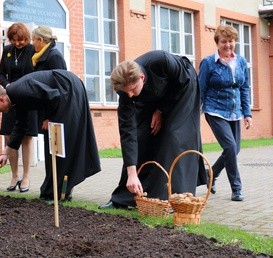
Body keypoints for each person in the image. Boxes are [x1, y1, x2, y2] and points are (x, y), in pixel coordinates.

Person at [99, 50, 207, 209]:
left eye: (133, 89)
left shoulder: (161, 62)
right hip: (152, 94)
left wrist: (161, 110)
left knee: (173, 135)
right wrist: (131, 173)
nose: (129, 95)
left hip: (183, 87)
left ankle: (173, 197)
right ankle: (125, 197)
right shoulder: (125, 90)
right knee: (141, 134)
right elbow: (128, 132)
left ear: (141, 77)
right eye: (125, 92)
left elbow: (181, 84)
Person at [0, 69, 101, 201]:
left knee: (62, 143)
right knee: (52, 146)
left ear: (1, 99)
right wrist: (5, 153)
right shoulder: (15, 97)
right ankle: (54, 191)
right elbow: (21, 125)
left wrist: (48, 117)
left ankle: (62, 191)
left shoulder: (19, 91)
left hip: (68, 88)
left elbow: (54, 96)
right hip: (61, 94)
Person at [198, 25, 253, 202]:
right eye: (224, 41)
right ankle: (237, 188)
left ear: (235, 41)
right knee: (230, 147)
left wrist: (247, 113)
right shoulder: (208, 63)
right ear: (218, 43)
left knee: (234, 149)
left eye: (231, 41)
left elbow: (244, 88)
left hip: (235, 112)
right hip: (215, 110)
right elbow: (200, 88)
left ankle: (210, 175)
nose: (228, 45)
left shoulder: (241, 62)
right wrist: (195, 112)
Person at [0, 23, 37, 193]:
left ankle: (26, 176)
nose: (18, 43)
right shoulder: (7, 50)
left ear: (26, 38)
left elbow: (36, 72)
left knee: (26, 137)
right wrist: (7, 85)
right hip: (10, 98)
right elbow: (0, 74)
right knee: (8, 136)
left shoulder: (33, 50)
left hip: (29, 97)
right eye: (14, 40)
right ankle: (14, 175)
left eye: (20, 40)